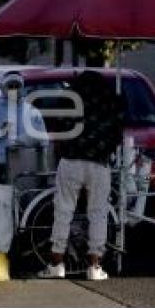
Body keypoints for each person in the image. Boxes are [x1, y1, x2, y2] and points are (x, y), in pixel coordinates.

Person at [39, 71, 124, 281]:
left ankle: (56, 263)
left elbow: (56, 127)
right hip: (99, 163)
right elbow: (118, 132)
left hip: (71, 160)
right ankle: (95, 266)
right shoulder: (111, 101)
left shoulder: (70, 99)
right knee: (98, 213)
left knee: (63, 210)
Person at [0, 71, 48, 183]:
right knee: (0, 199)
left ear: (22, 87)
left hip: (27, 165)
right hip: (0, 164)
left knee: (25, 198)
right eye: (10, 86)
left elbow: (43, 140)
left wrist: (27, 140)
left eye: (17, 86)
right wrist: (0, 133)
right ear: (3, 87)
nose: (14, 89)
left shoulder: (32, 111)